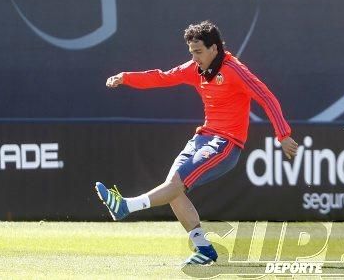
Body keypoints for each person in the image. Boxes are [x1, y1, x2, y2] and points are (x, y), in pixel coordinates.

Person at [95, 20, 298, 265]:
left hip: (226, 145)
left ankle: (125, 206)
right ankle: (204, 250)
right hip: (202, 138)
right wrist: (125, 77)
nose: (195, 58)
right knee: (173, 190)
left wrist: (283, 134)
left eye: (199, 52)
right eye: (191, 52)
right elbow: (162, 77)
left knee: (175, 186)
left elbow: (266, 97)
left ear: (215, 48)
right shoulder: (195, 68)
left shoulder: (234, 69)